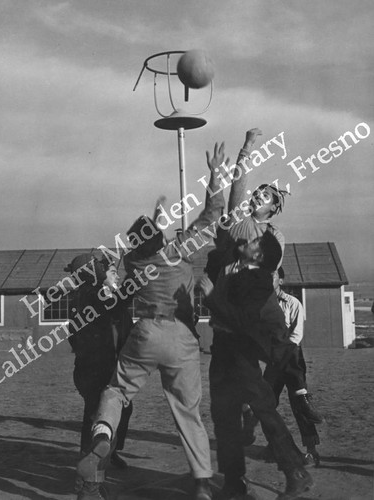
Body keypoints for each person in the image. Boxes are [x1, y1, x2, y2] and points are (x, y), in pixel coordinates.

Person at [75, 136, 247, 500]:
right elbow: (212, 214)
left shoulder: (134, 263)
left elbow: (143, 247)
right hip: (181, 337)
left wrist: (151, 226)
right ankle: (201, 481)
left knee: (116, 391)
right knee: (188, 412)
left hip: (145, 333)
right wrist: (216, 174)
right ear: (161, 238)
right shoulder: (179, 251)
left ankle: (103, 436)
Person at [199, 232, 313, 500]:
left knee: (261, 411)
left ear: (259, 256)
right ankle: (235, 483)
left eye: (252, 243)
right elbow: (226, 230)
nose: (246, 242)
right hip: (225, 352)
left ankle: (295, 473)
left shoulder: (259, 281)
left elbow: (242, 321)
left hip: (239, 355)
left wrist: (212, 296)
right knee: (227, 418)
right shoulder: (239, 268)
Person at [65, 255, 133, 499]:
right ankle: (90, 487)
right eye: (104, 268)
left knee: (95, 423)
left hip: (86, 370)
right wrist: (137, 276)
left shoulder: (82, 296)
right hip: (99, 371)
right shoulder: (96, 296)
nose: (109, 271)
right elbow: (124, 300)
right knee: (103, 426)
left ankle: (84, 480)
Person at [259, 267, 323, 466]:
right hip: (273, 361)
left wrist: (282, 354)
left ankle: (312, 452)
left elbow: (296, 335)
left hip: (292, 358)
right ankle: (275, 446)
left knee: (300, 404)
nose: (268, 279)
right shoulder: (261, 305)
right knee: (266, 403)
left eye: (272, 275)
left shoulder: (293, 303)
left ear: (281, 280)